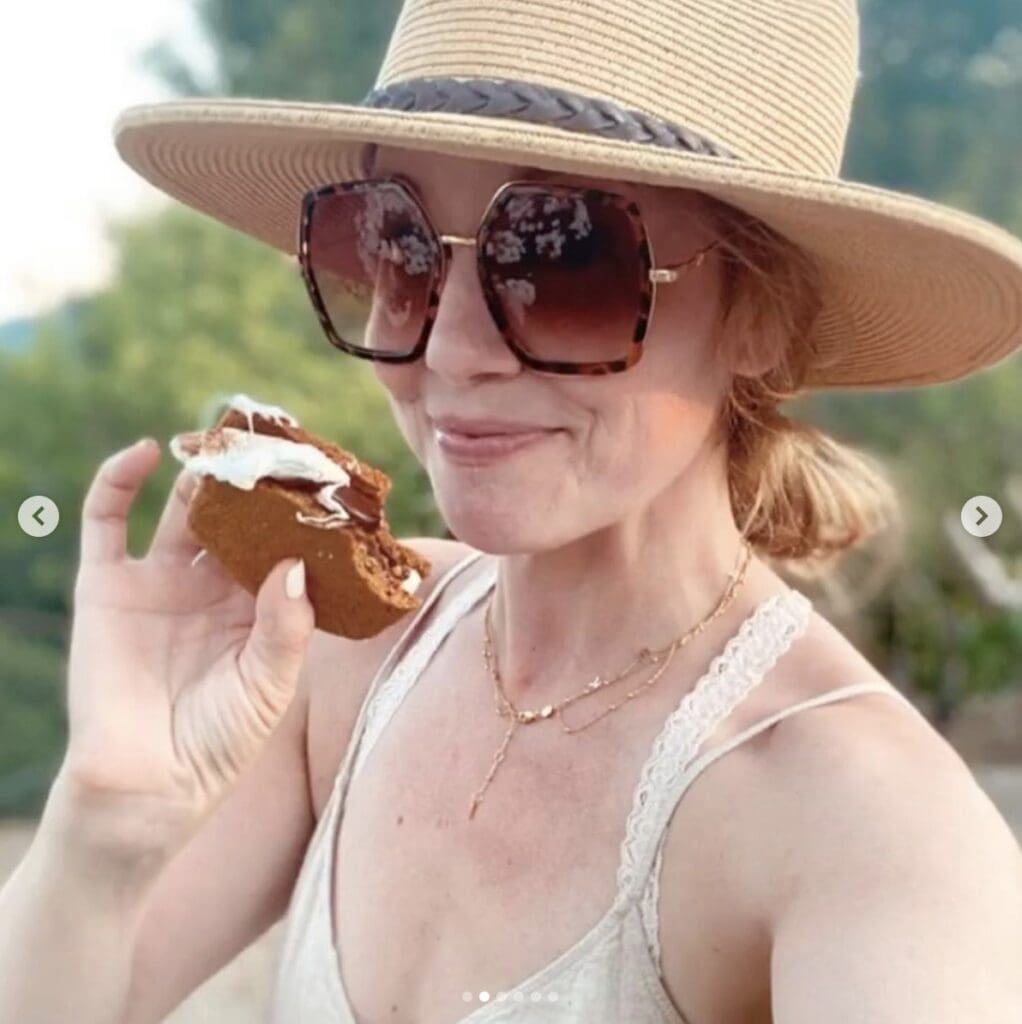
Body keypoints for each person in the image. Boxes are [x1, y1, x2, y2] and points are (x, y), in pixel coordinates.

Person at [2, 1, 1022, 1022]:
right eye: (398, 247)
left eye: (557, 255)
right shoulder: (347, 653)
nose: (449, 348)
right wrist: (103, 825)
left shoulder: (865, 829)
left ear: (760, 313)